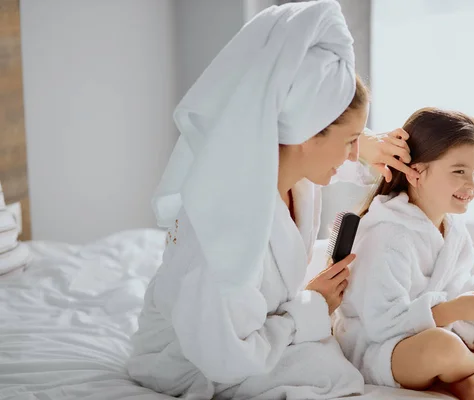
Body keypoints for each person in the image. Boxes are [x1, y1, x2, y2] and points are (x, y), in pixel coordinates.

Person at [127, 2, 416, 399]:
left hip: (259, 328)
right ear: (305, 133)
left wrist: (365, 145)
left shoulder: (286, 172)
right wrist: (311, 306)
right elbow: (228, 358)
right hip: (199, 360)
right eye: (350, 141)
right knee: (334, 376)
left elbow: (332, 153)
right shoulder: (226, 226)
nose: (355, 154)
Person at [334, 108, 474, 400]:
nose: (471, 184)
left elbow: (452, 286)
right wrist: (454, 311)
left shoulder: (452, 226)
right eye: (459, 171)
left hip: (442, 327)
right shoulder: (387, 235)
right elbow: (382, 325)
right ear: (417, 173)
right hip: (384, 349)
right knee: (441, 346)